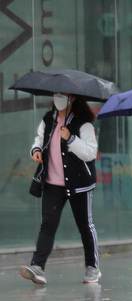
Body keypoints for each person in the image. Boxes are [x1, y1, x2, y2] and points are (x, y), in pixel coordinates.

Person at [20, 93, 101, 285]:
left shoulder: (84, 124)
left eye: (62, 95)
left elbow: (90, 153)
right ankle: (37, 267)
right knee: (47, 225)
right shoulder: (49, 119)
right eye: (56, 94)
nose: (58, 98)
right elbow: (39, 139)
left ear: (72, 98)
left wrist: (71, 138)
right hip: (52, 183)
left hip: (79, 184)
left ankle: (92, 267)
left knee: (85, 226)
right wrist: (36, 150)